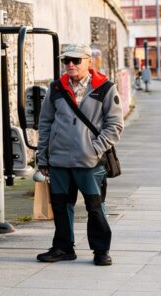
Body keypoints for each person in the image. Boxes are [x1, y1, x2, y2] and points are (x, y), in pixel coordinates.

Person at [35, 44, 124, 266]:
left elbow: (115, 125)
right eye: (66, 60)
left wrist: (95, 148)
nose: (70, 64)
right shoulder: (56, 88)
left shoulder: (105, 88)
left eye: (76, 60)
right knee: (61, 206)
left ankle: (101, 250)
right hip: (59, 160)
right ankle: (63, 247)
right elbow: (45, 123)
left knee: (95, 206)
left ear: (88, 61)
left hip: (90, 162)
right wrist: (43, 158)